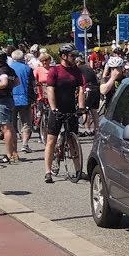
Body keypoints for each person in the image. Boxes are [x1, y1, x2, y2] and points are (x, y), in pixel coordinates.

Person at [43, 45, 85, 185]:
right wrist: (54, 108)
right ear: (64, 56)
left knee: (73, 140)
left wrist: (81, 107)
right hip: (57, 109)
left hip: (70, 109)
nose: (74, 58)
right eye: (72, 56)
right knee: (51, 140)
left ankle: (79, 170)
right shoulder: (55, 71)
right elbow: (50, 90)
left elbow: (80, 90)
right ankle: (48, 172)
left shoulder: (76, 71)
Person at [0, 49, 19, 163]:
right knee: (11, 127)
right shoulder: (11, 69)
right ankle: (15, 152)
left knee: (5, 128)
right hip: (11, 99)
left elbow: (4, 82)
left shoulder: (2, 70)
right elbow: (17, 82)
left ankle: (8, 154)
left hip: (3, 100)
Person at [7, 50, 34, 153]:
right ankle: (25, 144)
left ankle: (14, 148)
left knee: (12, 124)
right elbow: (33, 84)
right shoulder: (27, 68)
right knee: (26, 122)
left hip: (11, 98)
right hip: (24, 98)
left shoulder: (9, 68)